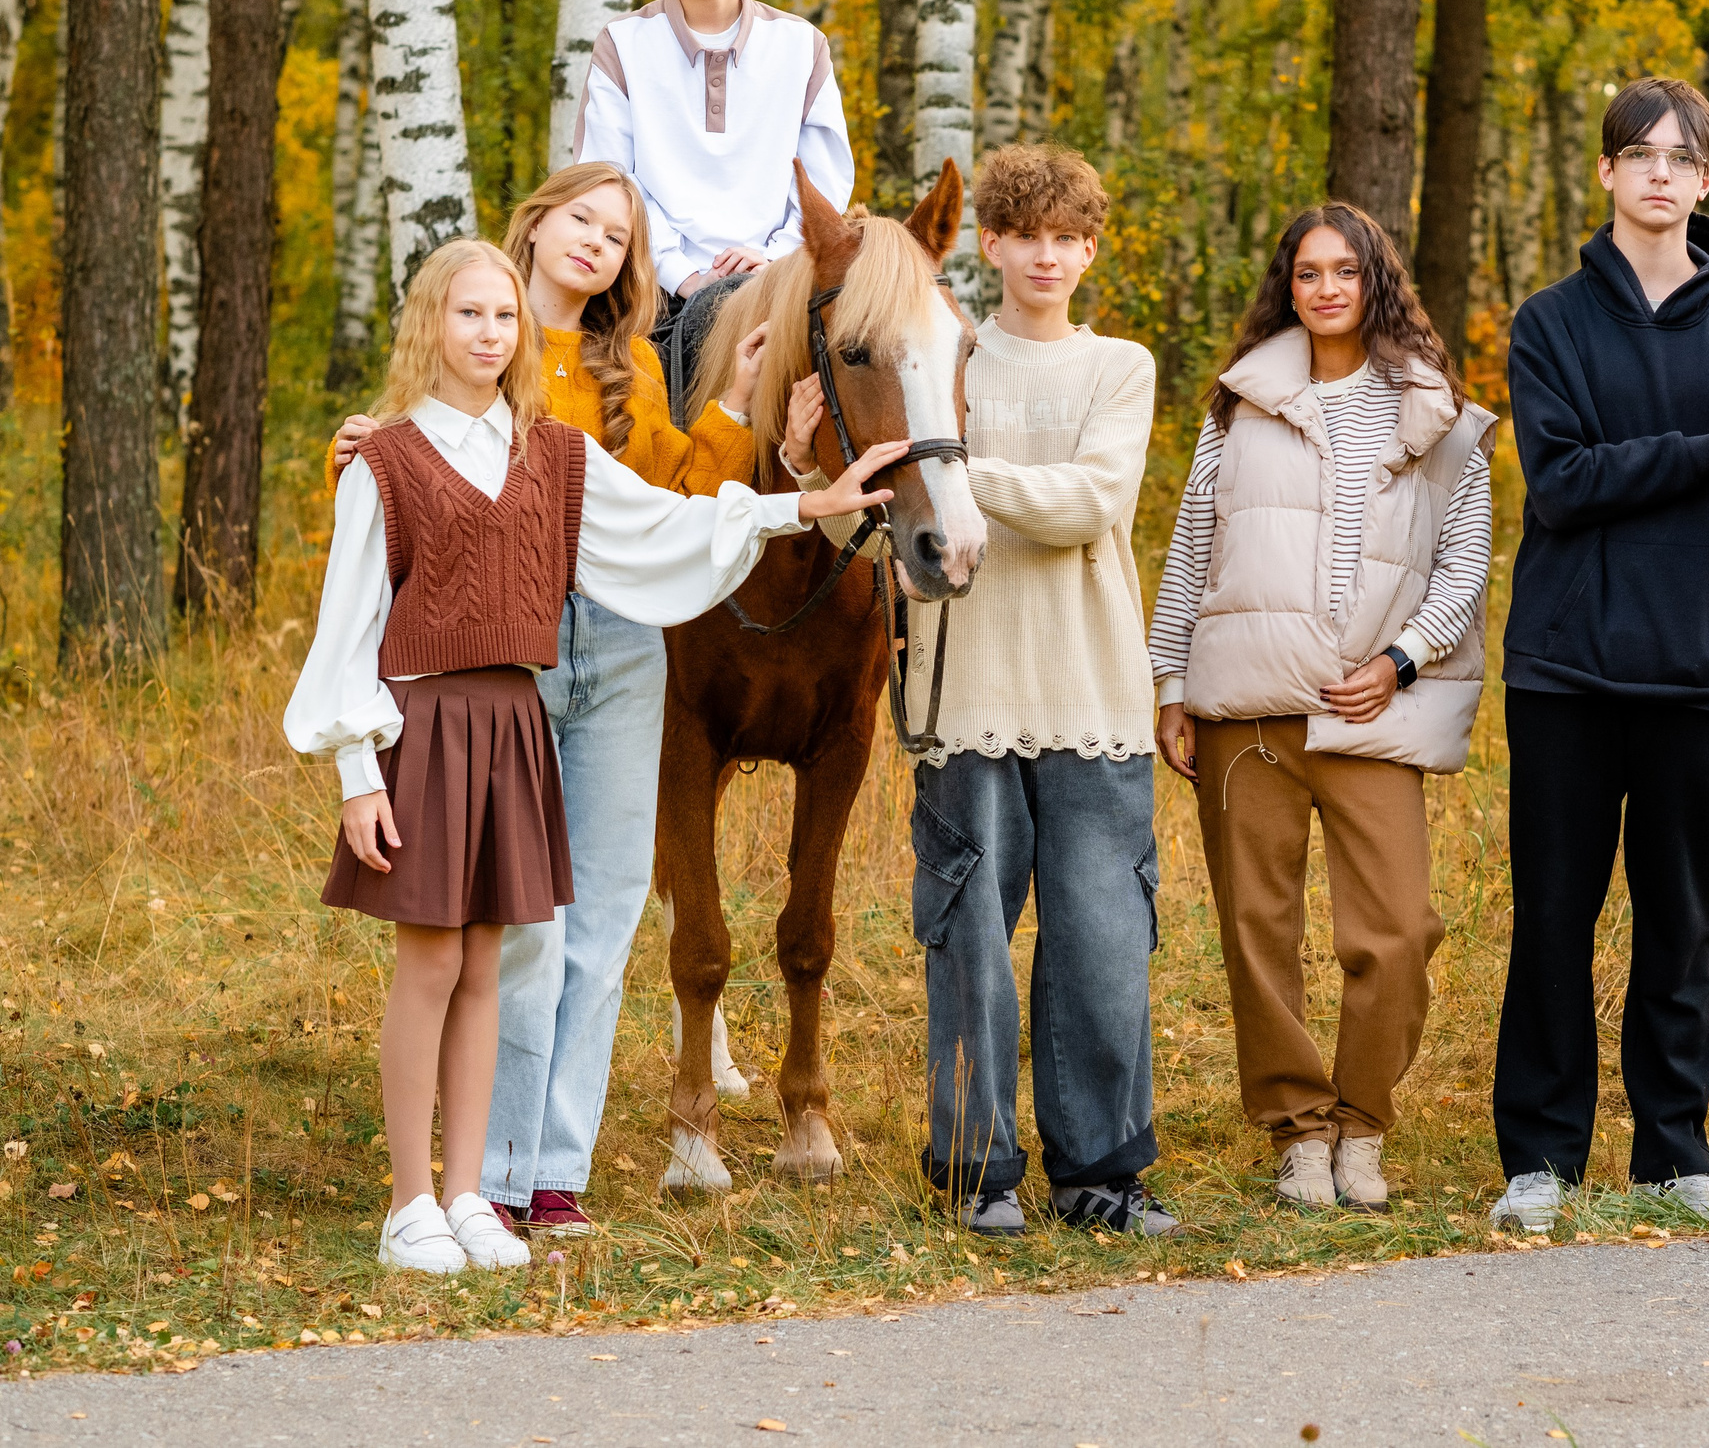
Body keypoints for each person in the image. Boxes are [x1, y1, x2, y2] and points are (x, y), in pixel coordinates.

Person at [284, 240, 904, 1273]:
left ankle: (472, 1192)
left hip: (513, 726)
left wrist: (802, 501)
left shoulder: (554, 457)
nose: (487, 335)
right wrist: (357, 772)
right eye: (468, 315)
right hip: (426, 727)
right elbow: (347, 623)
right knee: (431, 965)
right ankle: (409, 1205)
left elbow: (667, 525)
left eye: (502, 320)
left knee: (491, 965)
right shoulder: (384, 461)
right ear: (429, 324)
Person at [328, 162, 774, 1236]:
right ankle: (489, 1169)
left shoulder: (625, 371)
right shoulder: (468, 326)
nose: (596, 244)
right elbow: (390, 506)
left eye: (617, 237)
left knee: (605, 907)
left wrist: (737, 409)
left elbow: (670, 499)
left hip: (618, 635)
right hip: (500, 655)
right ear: (535, 224)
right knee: (520, 922)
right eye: (582, 219)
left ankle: (549, 1170)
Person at [782, 143, 1171, 1236]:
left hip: (1093, 695)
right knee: (969, 943)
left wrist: (949, 469)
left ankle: (1102, 1173)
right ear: (987, 244)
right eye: (1024, 237)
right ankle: (976, 1172)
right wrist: (819, 471)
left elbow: (1090, 501)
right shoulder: (938, 353)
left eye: (1068, 239)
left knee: (1102, 942)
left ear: (1091, 251)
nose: (1046, 257)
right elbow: (887, 539)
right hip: (963, 693)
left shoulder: (1118, 367)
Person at [1149, 204, 1493, 1213]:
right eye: (1308, 273)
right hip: (1245, 707)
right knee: (1257, 928)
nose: (1327, 288)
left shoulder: (1436, 414)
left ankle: (1362, 1122)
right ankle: (1299, 1129)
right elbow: (1189, 546)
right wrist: (1171, 681)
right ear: (1287, 287)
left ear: (1376, 280)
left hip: (1370, 707)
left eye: (1346, 270)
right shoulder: (1240, 403)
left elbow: (1463, 563)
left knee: (1396, 931)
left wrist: (1403, 657)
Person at [1492, 76, 1709, 1235]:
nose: (1660, 173)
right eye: (1639, 154)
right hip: (1565, 665)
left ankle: (1674, 1152)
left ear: (1707, 180)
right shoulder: (1549, 322)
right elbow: (1561, 487)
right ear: (1607, 172)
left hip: (1702, 662)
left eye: (1682, 157)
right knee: (1552, 916)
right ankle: (1542, 1159)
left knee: (1682, 915)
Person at [570, 0, 858, 405]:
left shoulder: (801, 46)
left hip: (778, 279)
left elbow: (823, 185)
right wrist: (685, 276)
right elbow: (605, 184)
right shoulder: (624, 45)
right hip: (653, 293)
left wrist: (772, 260)